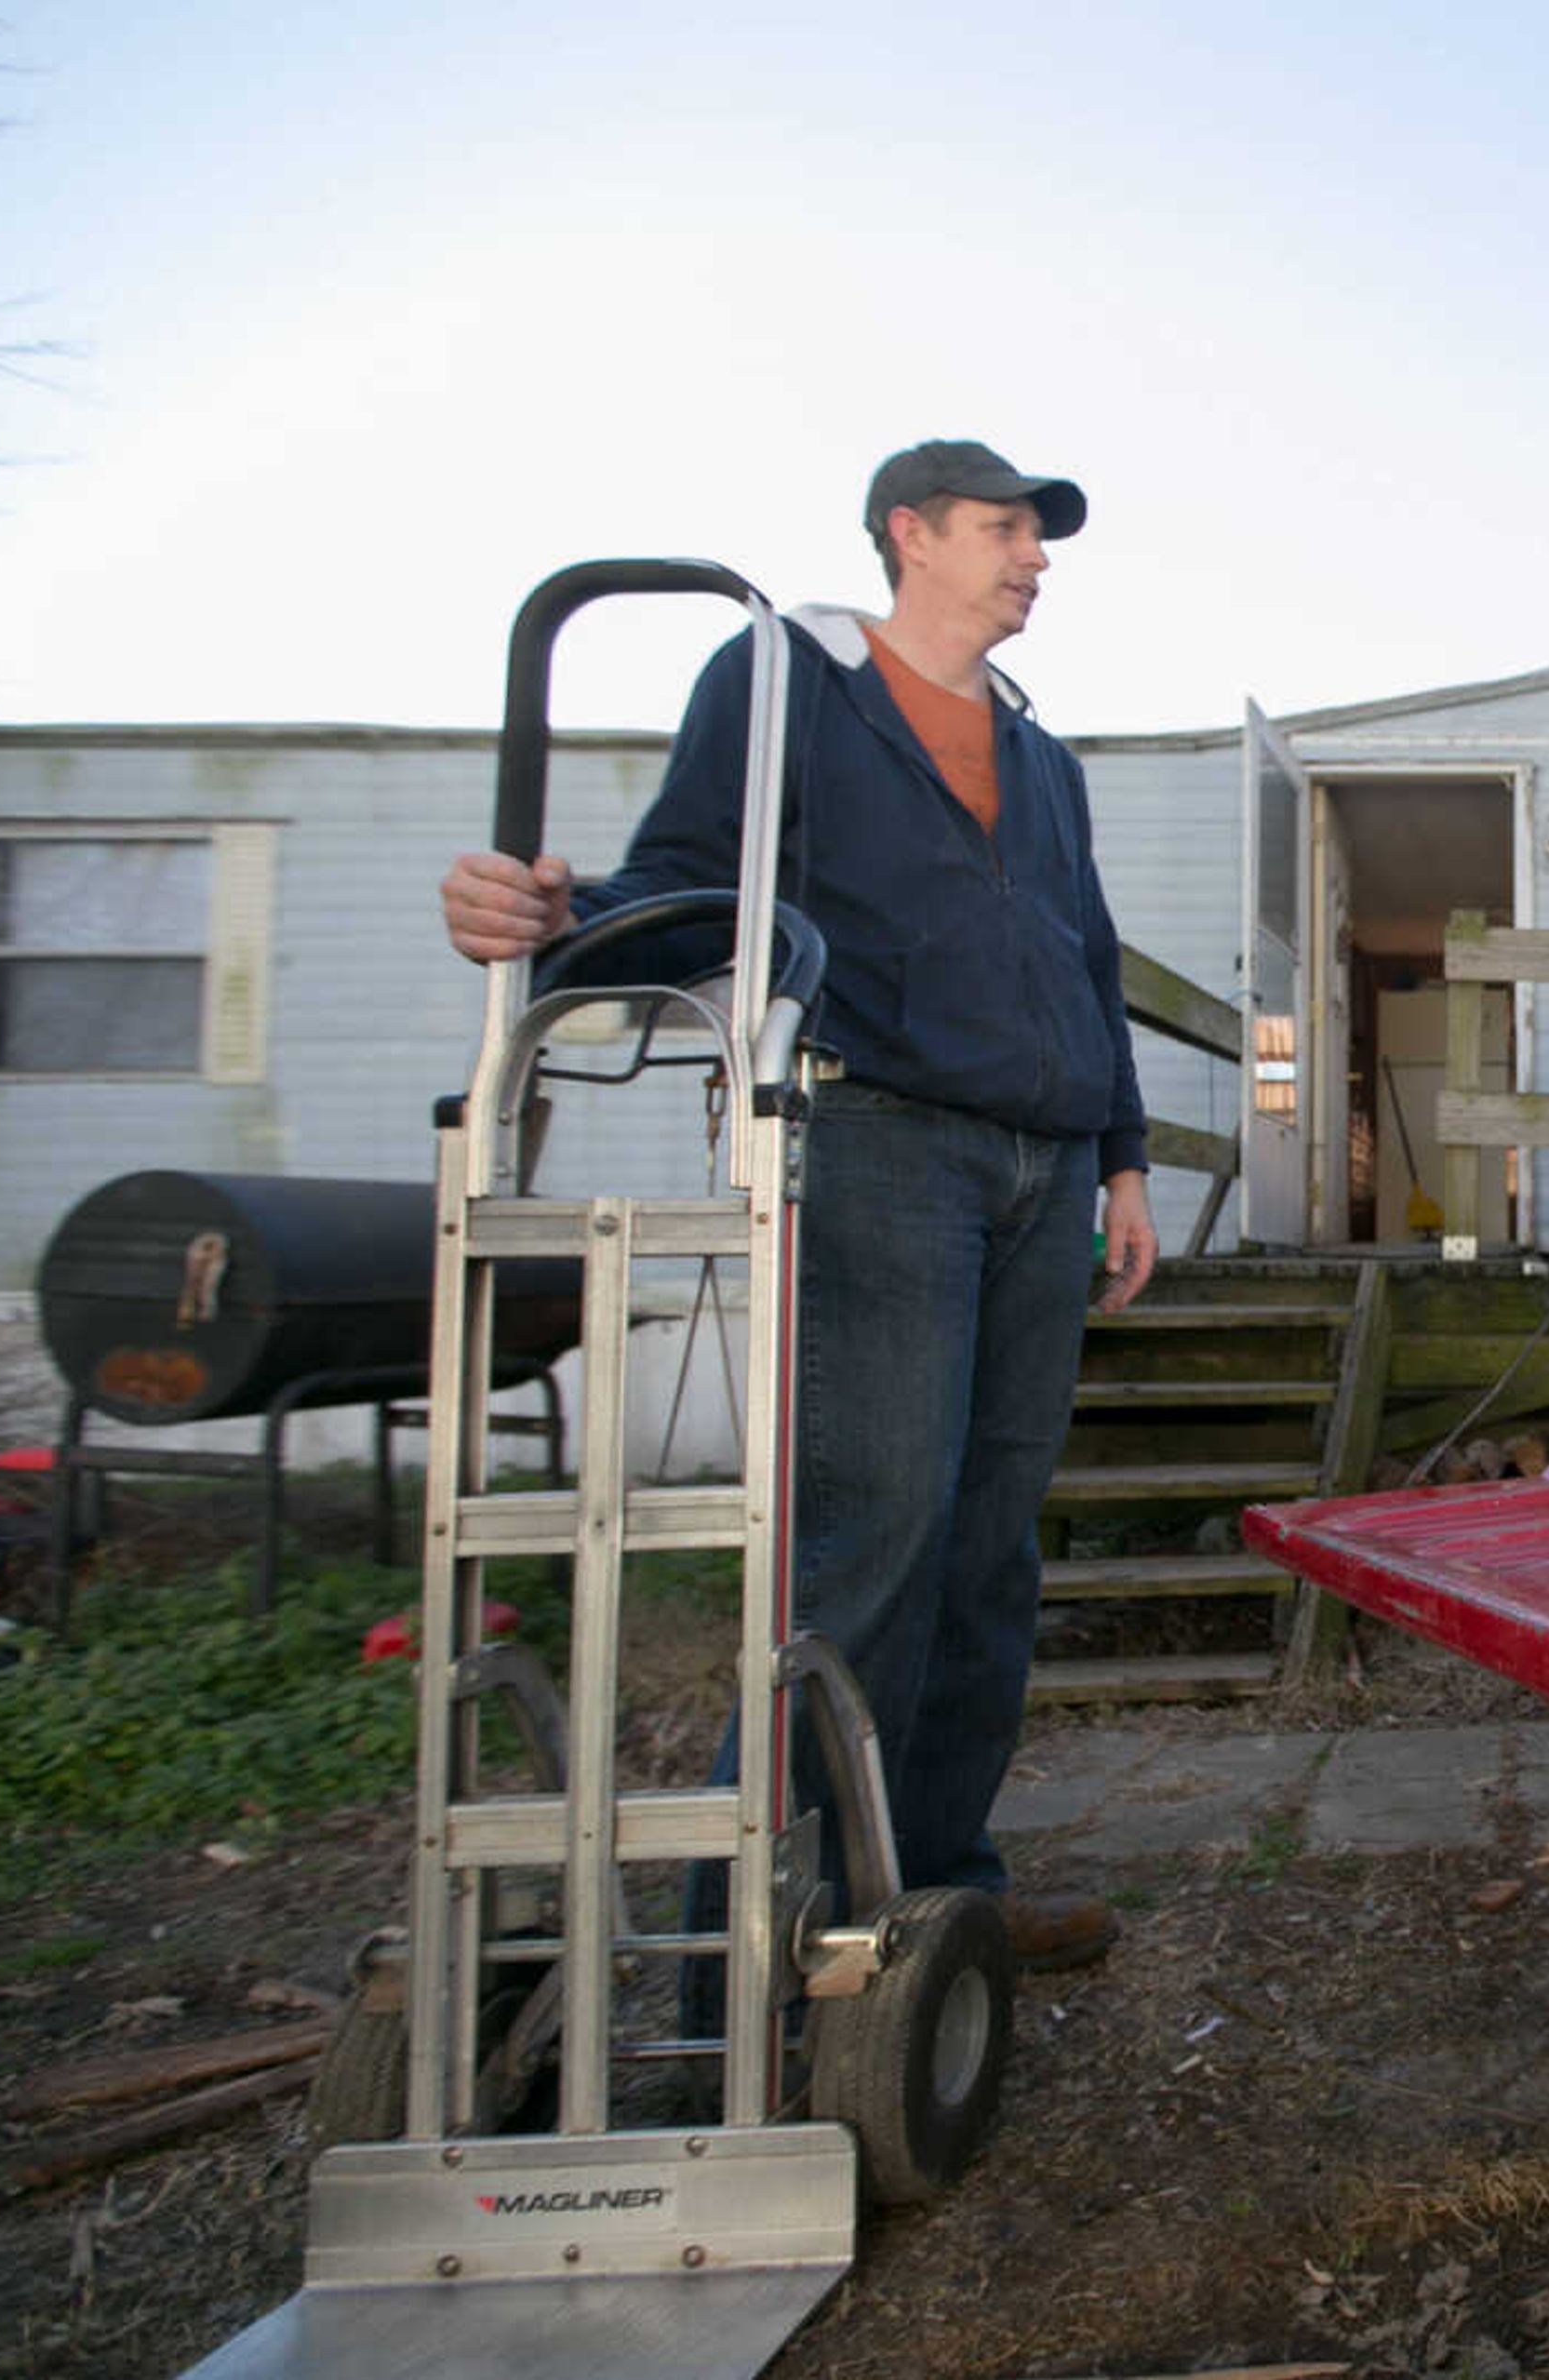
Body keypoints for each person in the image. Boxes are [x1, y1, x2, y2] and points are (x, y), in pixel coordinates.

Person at [438, 438, 1153, 1974]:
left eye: (1037, 535)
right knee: (875, 1539)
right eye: (1003, 529)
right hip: (882, 1143)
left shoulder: (1041, 757)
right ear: (910, 533)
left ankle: (944, 1887)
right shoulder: (784, 677)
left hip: (1043, 1171)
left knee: (990, 1549)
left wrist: (1125, 1159)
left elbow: (1089, 960)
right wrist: (549, 929)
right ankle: (750, 1938)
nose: (1033, 557)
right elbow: (688, 876)